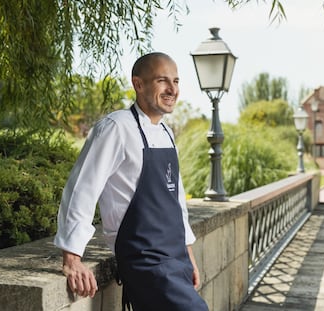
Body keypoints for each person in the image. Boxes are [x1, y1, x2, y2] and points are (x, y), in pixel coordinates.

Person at [54, 52, 209, 311]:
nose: (172, 89)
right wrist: (72, 257)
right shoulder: (116, 127)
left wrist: (188, 255)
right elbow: (82, 189)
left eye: (176, 81)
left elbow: (176, 200)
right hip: (145, 261)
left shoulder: (167, 133)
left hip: (175, 260)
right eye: (162, 80)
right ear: (138, 84)